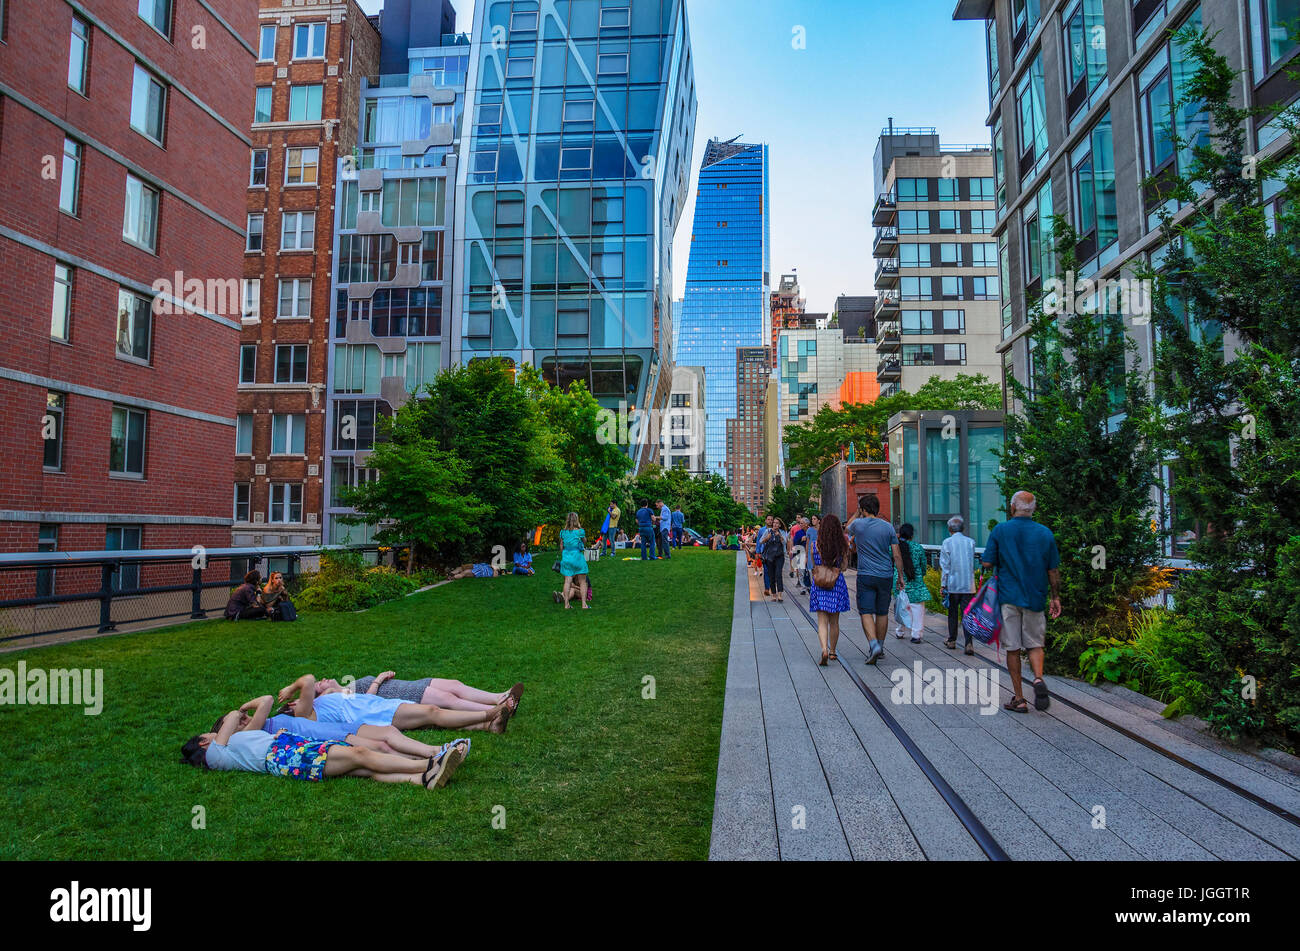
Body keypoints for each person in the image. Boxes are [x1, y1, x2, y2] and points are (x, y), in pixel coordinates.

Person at [180, 695, 466, 790]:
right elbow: (232, 715)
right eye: (209, 734)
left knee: (361, 768)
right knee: (361, 754)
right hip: (284, 756)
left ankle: (422, 779)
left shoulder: (228, 748)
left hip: (284, 751)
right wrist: (237, 712)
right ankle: (428, 764)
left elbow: (261, 708)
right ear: (204, 743)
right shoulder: (215, 753)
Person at [981, 491, 1061, 714]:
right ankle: (1037, 679)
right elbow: (1053, 570)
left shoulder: (1001, 530)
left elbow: (987, 562)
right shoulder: (1045, 534)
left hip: (1008, 597)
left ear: (1013, 507)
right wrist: (1055, 597)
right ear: (1033, 509)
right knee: (1035, 643)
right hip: (1035, 596)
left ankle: (1020, 698)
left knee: (1013, 648)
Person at [277, 674, 512, 733]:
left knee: (432, 716)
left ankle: (488, 723)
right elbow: (307, 681)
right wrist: (290, 689)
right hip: (377, 715)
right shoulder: (306, 713)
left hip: (377, 706)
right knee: (434, 712)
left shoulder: (326, 700)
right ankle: (489, 714)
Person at [847, 495, 908, 665]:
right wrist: (900, 576)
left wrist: (857, 514)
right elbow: (896, 554)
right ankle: (880, 646)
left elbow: (846, 529)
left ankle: (873, 644)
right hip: (886, 575)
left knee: (866, 611)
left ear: (863, 509)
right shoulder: (888, 527)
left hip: (866, 574)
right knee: (882, 612)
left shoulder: (859, 524)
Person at [352, 672, 524, 715]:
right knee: (449, 699)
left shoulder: (347, 686)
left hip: (407, 684)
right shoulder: (341, 694)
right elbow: (366, 703)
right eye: (322, 683)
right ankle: (497, 711)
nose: (323, 679)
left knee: (455, 685)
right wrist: (379, 678)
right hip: (399, 694)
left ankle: (499, 697)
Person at [810, 514, 851, 667]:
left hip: (820, 583)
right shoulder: (842, 547)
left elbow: (814, 565)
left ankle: (824, 649)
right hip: (836, 584)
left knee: (822, 620)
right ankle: (833, 651)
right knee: (834, 621)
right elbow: (845, 567)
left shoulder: (815, 545)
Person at [940, 515, 979, 655]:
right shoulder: (971, 542)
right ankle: (969, 643)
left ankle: (952, 640)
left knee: (952, 613)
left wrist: (943, 585)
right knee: (967, 614)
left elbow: (945, 566)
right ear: (963, 528)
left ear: (949, 528)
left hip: (953, 583)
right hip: (968, 584)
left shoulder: (947, 543)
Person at [892, 523, 931, 644]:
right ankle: (916, 634)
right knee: (917, 608)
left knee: (902, 606)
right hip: (916, 583)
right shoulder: (918, 547)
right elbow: (923, 565)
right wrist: (922, 574)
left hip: (900, 582)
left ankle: (900, 630)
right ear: (912, 535)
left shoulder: (894, 547)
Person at [559, 512, 590, 609]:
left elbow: (561, 546)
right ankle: (584, 604)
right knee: (582, 582)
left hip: (566, 558)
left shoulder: (562, 532)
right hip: (577, 557)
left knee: (567, 581)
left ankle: (566, 604)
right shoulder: (580, 531)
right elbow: (584, 542)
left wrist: (565, 554)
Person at [760, 518, 791, 602]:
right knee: (771, 576)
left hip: (779, 556)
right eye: (774, 523)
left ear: (780, 525)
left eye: (777, 523)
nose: (775, 524)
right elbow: (760, 541)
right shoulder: (768, 531)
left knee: (778, 574)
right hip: (769, 557)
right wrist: (767, 538)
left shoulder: (783, 532)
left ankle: (780, 594)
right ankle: (774, 595)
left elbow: (785, 543)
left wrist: (780, 536)